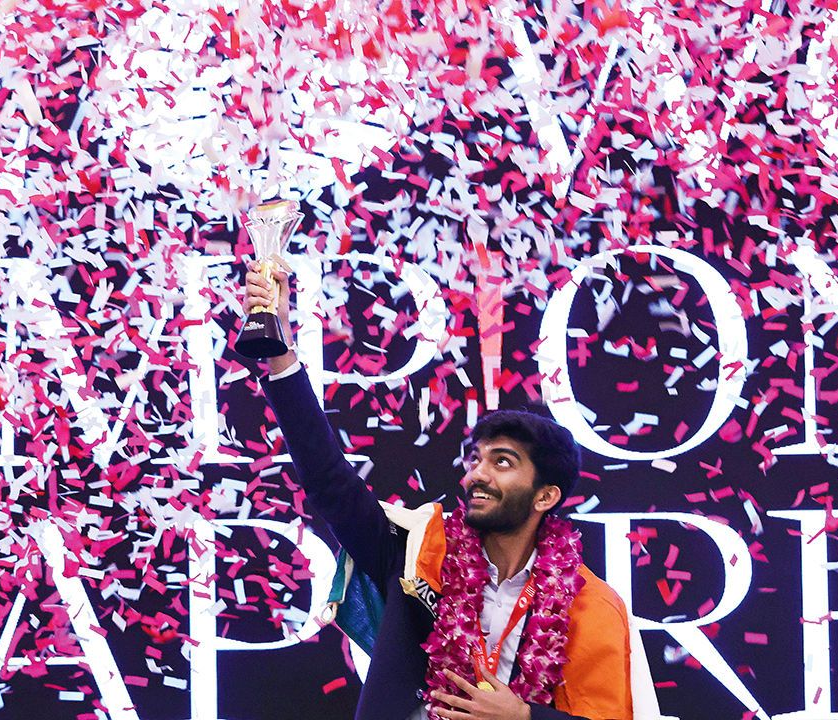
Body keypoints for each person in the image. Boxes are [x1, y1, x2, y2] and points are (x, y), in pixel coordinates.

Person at [244, 260, 634, 720]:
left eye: (502, 462)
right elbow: (328, 480)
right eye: (476, 461)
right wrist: (281, 352)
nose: (477, 475)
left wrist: (523, 718)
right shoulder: (417, 555)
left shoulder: (591, 605)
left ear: (545, 496)